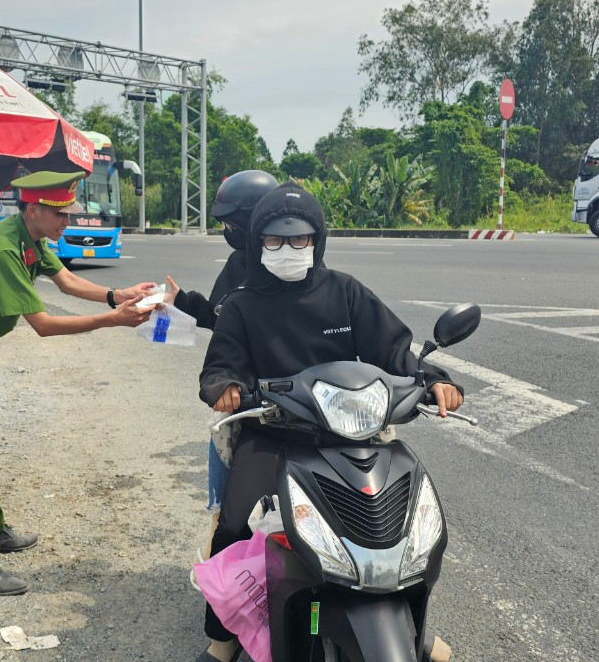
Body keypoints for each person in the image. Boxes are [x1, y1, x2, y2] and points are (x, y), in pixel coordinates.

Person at [194, 185, 465, 662]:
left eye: (299, 241)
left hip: (349, 431)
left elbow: (395, 349)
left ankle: (413, 625)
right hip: (272, 429)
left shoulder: (345, 291)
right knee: (234, 524)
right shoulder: (241, 303)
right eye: (275, 241)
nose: (288, 250)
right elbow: (222, 364)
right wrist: (224, 385)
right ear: (258, 244)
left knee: (403, 523)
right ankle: (224, 636)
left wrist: (434, 379)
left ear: (316, 242)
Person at [0, 170, 158, 596]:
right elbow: (44, 326)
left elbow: (66, 281)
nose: (66, 222)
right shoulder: (4, 249)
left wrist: (117, 295)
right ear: (33, 209)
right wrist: (113, 320)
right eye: (60, 214)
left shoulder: (29, 237)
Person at [163, 170, 278, 537]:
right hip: (246, 395)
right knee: (226, 496)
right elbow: (221, 318)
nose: (227, 231)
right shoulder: (238, 263)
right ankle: (221, 553)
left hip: (296, 395)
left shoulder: (310, 273)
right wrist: (183, 302)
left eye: (231, 223)